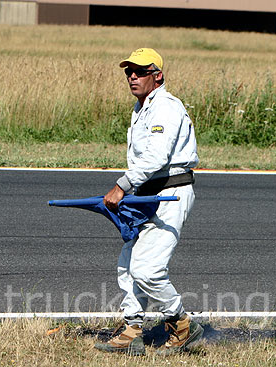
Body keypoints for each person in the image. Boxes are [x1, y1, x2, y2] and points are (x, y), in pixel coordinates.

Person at [95, 48, 203, 356]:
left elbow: (157, 157)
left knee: (147, 270)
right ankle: (132, 330)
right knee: (128, 264)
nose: (132, 76)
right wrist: (132, 193)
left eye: (140, 71)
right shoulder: (141, 107)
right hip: (147, 195)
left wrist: (121, 186)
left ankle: (182, 324)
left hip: (170, 193)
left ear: (158, 75)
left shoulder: (166, 107)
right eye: (128, 71)